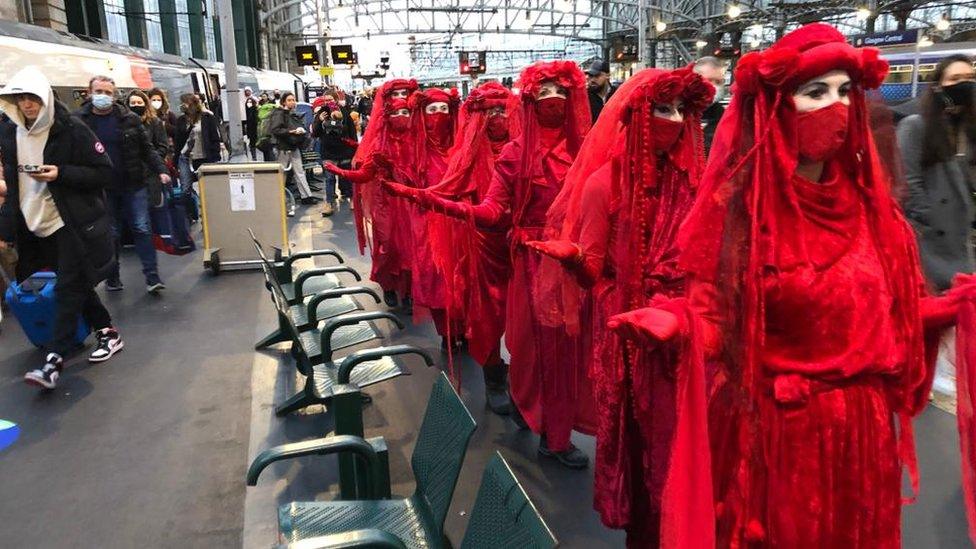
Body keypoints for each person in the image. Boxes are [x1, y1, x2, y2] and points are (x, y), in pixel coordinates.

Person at [607, 23, 976, 547]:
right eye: (816, 92)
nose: (838, 106)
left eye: (847, 90)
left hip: (862, 439)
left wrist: (950, 309)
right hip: (780, 439)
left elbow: (891, 318)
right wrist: (681, 323)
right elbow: (719, 322)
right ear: (777, 107)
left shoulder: (877, 216)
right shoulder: (740, 215)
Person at [526, 67, 713, 546]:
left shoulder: (695, 185)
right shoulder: (602, 184)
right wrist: (576, 264)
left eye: (679, 110)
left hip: (689, 334)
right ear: (636, 117)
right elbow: (593, 273)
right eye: (661, 109)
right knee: (640, 447)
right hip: (628, 335)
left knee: (685, 449)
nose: (673, 120)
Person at [389, 61, 593, 468]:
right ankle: (548, 429)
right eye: (546, 91)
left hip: (577, 263)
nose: (554, 99)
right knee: (541, 348)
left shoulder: (587, 147)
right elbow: (494, 210)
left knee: (570, 353)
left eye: (561, 91)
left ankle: (534, 408)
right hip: (531, 261)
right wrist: (439, 203)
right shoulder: (519, 153)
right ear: (532, 98)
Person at [394, 81, 521, 414]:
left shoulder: (524, 147)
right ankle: (494, 378)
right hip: (479, 244)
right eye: (490, 111)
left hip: (524, 246)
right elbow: (450, 190)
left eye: (502, 110)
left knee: (528, 323)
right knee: (488, 314)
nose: (498, 117)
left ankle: (524, 384)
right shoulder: (467, 154)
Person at [0, 66, 124, 389]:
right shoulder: (9, 133)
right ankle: (108, 333)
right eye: (20, 99)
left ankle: (54, 361)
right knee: (77, 284)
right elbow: (14, 186)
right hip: (33, 223)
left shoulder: (71, 130)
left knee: (67, 289)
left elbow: (104, 173)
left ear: (46, 99)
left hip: (70, 222)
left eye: (33, 99)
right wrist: (8, 228)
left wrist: (61, 173)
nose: (27, 106)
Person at [324, 79, 421, 307]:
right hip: (385, 203)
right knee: (387, 246)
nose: (402, 112)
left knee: (411, 248)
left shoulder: (419, 138)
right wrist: (340, 171)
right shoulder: (380, 141)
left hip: (410, 203)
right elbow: (365, 173)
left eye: (406, 109)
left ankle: (407, 290)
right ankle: (388, 285)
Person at [77, 75, 169, 293]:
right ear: (89, 94)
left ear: (115, 95)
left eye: (108, 93)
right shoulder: (79, 121)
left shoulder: (129, 119)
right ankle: (112, 276)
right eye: (99, 92)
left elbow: (147, 150)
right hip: (101, 188)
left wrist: (161, 170)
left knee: (142, 228)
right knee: (111, 233)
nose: (103, 97)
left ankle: (152, 277)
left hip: (133, 183)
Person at [898, 54, 976, 292]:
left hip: (960, 239)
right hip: (929, 241)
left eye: (970, 78)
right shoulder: (915, 125)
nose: (965, 84)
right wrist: (928, 219)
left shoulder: (968, 128)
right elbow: (907, 181)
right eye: (955, 78)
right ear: (937, 86)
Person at [407, 87, 461, 348]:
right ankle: (446, 332)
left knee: (462, 276)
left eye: (444, 110)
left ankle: (463, 327)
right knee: (437, 277)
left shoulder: (462, 147)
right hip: (428, 224)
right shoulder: (416, 150)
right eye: (432, 110)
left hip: (460, 222)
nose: (439, 116)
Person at [268, 92, 317, 205]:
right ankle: (278, 196)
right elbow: (275, 130)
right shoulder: (279, 113)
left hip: (292, 146)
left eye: (293, 99)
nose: (292, 102)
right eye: (289, 100)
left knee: (297, 172)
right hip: (283, 148)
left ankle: (307, 196)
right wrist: (291, 131)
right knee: (283, 173)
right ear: (284, 101)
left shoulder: (290, 113)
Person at [127, 89, 172, 207]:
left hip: (152, 173)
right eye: (133, 103)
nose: (136, 106)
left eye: (139, 103)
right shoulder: (124, 124)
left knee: (156, 208)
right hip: (132, 176)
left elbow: (163, 146)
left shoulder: (154, 122)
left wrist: (153, 163)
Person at [312, 100, 357, 216]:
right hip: (328, 152)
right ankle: (329, 203)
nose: (329, 102)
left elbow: (352, 133)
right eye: (326, 99)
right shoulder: (322, 113)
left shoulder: (345, 113)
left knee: (348, 178)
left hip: (345, 151)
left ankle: (352, 199)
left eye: (331, 99)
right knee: (329, 179)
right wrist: (319, 120)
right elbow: (315, 133)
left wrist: (355, 151)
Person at [173, 93, 221, 190]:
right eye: (182, 104)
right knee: (185, 188)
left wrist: (215, 155)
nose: (184, 106)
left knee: (207, 187)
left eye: (186, 103)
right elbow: (178, 141)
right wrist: (176, 160)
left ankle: (202, 203)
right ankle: (195, 203)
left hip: (204, 157)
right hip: (185, 157)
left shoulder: (207, 117)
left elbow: (215, 138)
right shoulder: (181, 120)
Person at [693, 56, 727, 152]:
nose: (714, 86)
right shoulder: (679, 112)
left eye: (719, 82)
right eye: (709, 80)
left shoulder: (723, 116)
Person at [243, 86, 259, 160]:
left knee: (253, 141)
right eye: (246, 91)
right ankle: (254, 157)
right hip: (250, 124)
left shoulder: (252, 99)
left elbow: (250, 110)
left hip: (252, 124)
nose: (247, 92)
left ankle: (254, 157)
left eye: (248, 91)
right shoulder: (243, 99)